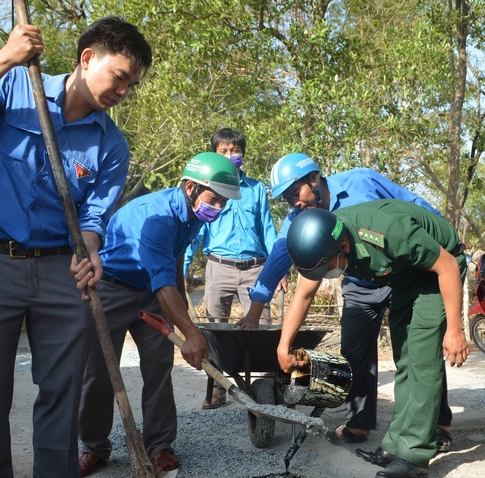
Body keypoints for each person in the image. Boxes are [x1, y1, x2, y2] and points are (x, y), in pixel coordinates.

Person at [0, 17, 152, 478]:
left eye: (131, 85)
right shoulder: (16, 85)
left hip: (61, 274)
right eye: (119, 77)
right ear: (87, 58)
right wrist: (6, 56)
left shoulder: (111, 145)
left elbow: (92, 220)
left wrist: (91, 251)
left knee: (61, 396)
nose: (123, 92)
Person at [238, 154, 454, 450]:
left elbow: (412, 207)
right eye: (287, 200)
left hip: (402, 274)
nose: (295, 204)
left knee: (419, 349)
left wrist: (443, 244)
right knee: (354, 349)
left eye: (295, 193)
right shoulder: (300, 222)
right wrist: (256, 315)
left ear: (314, 180)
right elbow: (279, 268)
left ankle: (438, 424)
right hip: (360, 283)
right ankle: (359, 423)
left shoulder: (362, 181)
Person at [71, 153, 241, 476]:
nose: (218, 207)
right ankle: (94, 447)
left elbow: (174, 260)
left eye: (224, 201)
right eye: (214, 199)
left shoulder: (194, 214)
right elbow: (163, 284)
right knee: (99, 371)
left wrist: (184, 312)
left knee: (159, 367)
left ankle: (159, 445)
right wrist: (191, 332)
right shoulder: (156, 216)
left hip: (151, 292)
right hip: (112, 287)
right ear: (191, 187)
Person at [278, 202, 469, 478]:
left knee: (423, 360)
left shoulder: (388, 231)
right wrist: (283, 346)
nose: (323, 277)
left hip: (437, 273)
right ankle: (397, 445)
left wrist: (455, 329)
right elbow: (304, 295)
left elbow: (448, 266)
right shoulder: (322, 242)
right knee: (405, 359)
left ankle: (414, 456)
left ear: (344, 246)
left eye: (324, 269)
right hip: (405, 277)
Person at [182, 128, 277, 409]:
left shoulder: (256, 189)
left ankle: (268, 388)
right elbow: (196, 232)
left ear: (243, 154)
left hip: (255, 270)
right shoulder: (207, 189)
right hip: (218, 268)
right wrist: (183, 268)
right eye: (223, 151)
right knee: (215, 330)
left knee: (262, 329)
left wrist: (277, 270)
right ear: (214, 154)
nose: (230, 155)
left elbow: (267, 229)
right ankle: (216, 388)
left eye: (235, 150)